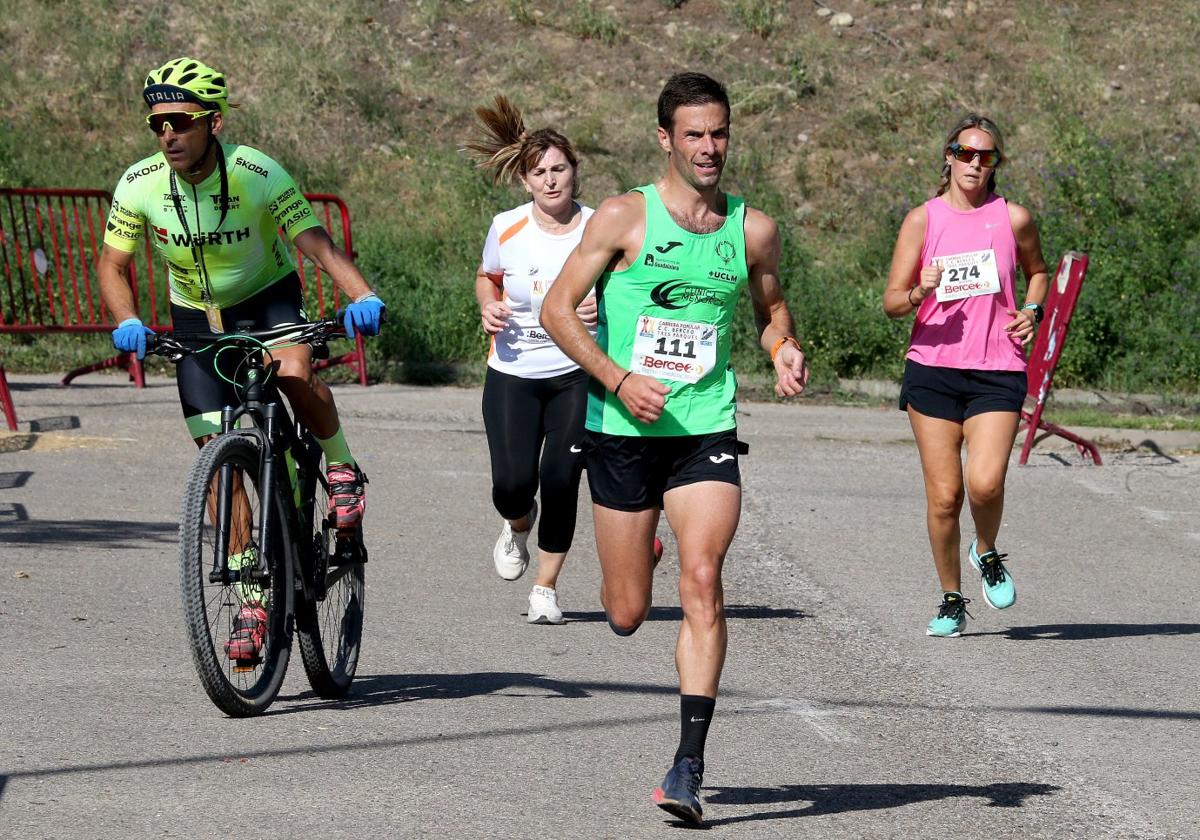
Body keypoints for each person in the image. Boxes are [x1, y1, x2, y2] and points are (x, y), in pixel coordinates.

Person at [541, 72, 809, 826]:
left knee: (704, 576)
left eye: (719, 133)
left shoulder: (752, 230)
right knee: (626, 613)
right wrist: (618, 379)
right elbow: (559, 310)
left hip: (705, 431)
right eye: (693, 134)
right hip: (623, 431)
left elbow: (769, 305)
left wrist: (782, 346)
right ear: (665, 138)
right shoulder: (626, 218)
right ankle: (637, 552)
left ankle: (688, 763)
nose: (709, 147)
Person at [98, 57, 385, 660]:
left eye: (179, 120)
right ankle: (252, 596)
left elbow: (315, 242)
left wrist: (362, 295)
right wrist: (127, 319)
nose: (167, 134)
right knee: (216, 460)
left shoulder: (256, 172)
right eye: (157, 124)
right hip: (195, 318)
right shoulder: (139, 183)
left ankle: (338, 467)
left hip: (268, 301)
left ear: (213, 122)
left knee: (294, 372)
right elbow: (113, 265)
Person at [883, 114, 1048, 638]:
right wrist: (919, 291)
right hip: (933, 370)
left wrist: (1033, 310)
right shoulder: (922, 220)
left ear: (995, 164)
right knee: (945, 496)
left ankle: (986, 549)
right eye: (966, 152)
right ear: (948, 157)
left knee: (985, 481)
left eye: (987, 155)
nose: (976, 163)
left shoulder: (1013, 218)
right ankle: (951, 598)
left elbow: (1038, 271)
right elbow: (891, 301)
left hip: (997, 367)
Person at [463, 95, 599, 624]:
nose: (550, 180)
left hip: (576, 373)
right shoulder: (507, 226)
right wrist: (489, 306)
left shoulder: (599, 228)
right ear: (525, 181)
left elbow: (628, 288)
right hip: (513, 372)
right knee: (512, 484)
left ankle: (545, 587)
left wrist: (601, 304)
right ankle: (517, 524)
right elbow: (486, 277)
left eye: (559, 169)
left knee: (563, 477)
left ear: (574, 172)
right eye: (539, 172)